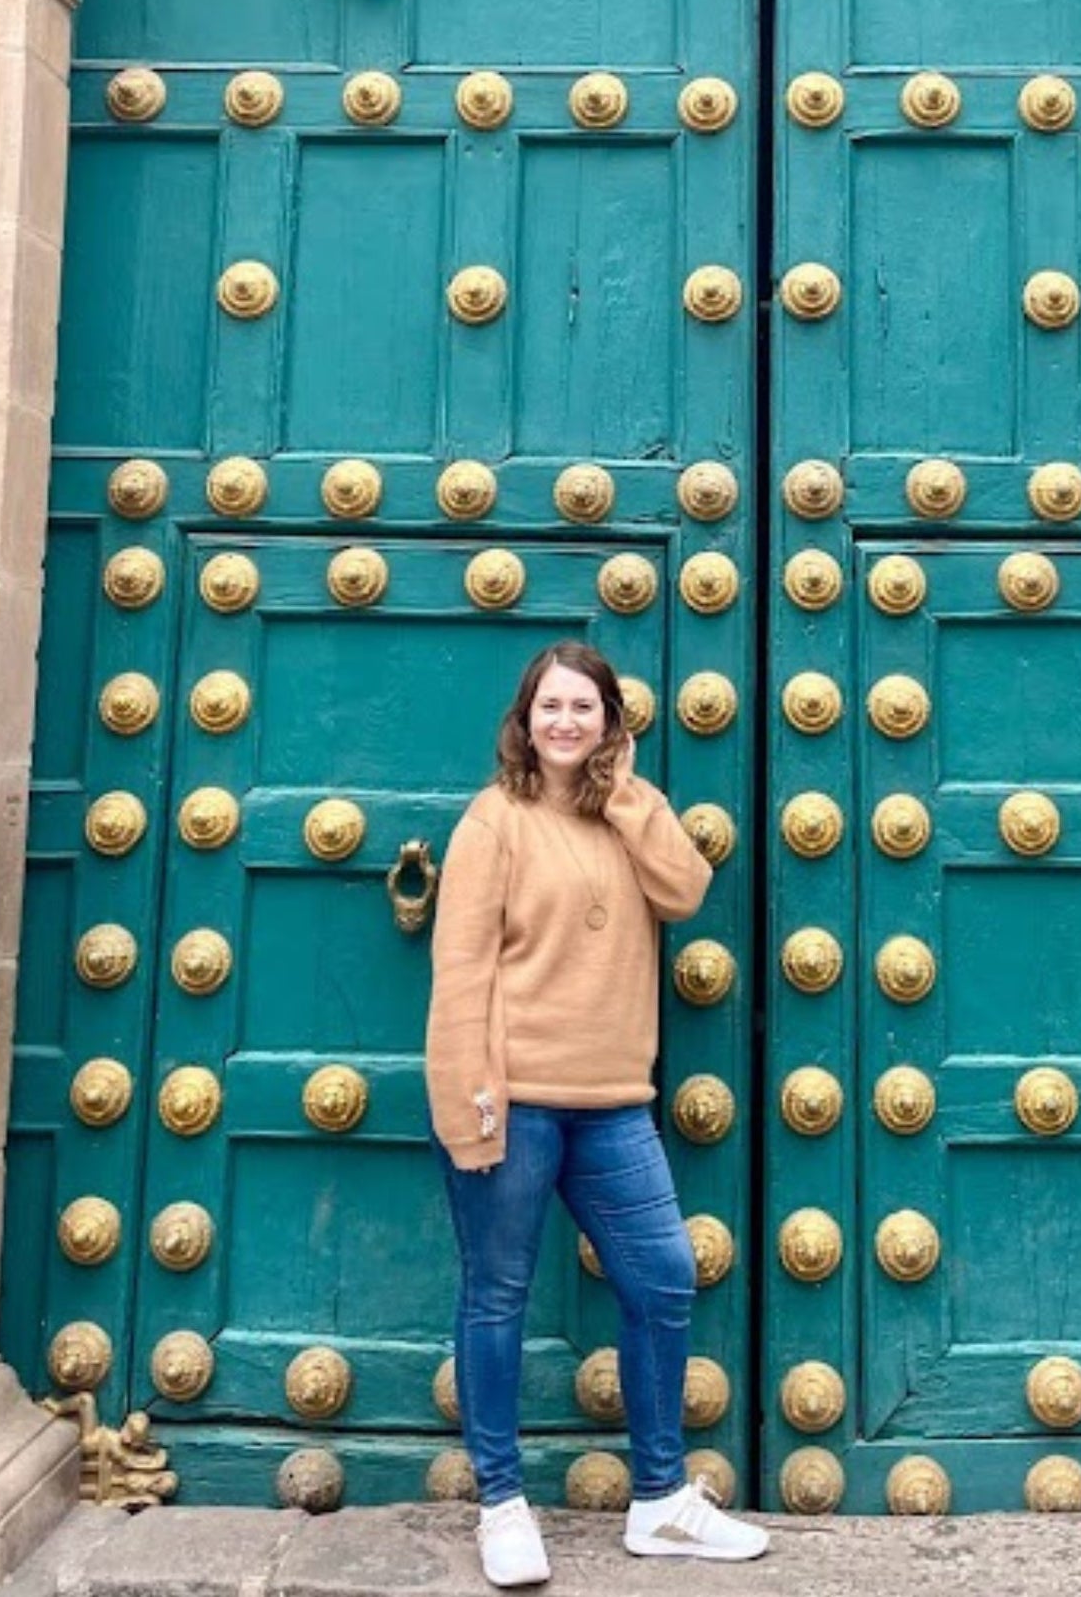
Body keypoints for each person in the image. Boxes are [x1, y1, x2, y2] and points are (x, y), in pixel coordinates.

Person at [425, 639, 770, 1588]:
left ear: (611, 722)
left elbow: (687, 888)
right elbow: (461, 970)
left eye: (585, 708)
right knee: (496, 1294)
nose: (565, 723)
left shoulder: (632, 812)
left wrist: (622, 795)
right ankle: (502, 1502)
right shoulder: (494, 822)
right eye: (550, 709)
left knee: (661, 1279)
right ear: (524, 723)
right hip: (517, 1098)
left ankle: (660, 1500)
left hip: (614, 1102)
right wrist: (471, 1092)